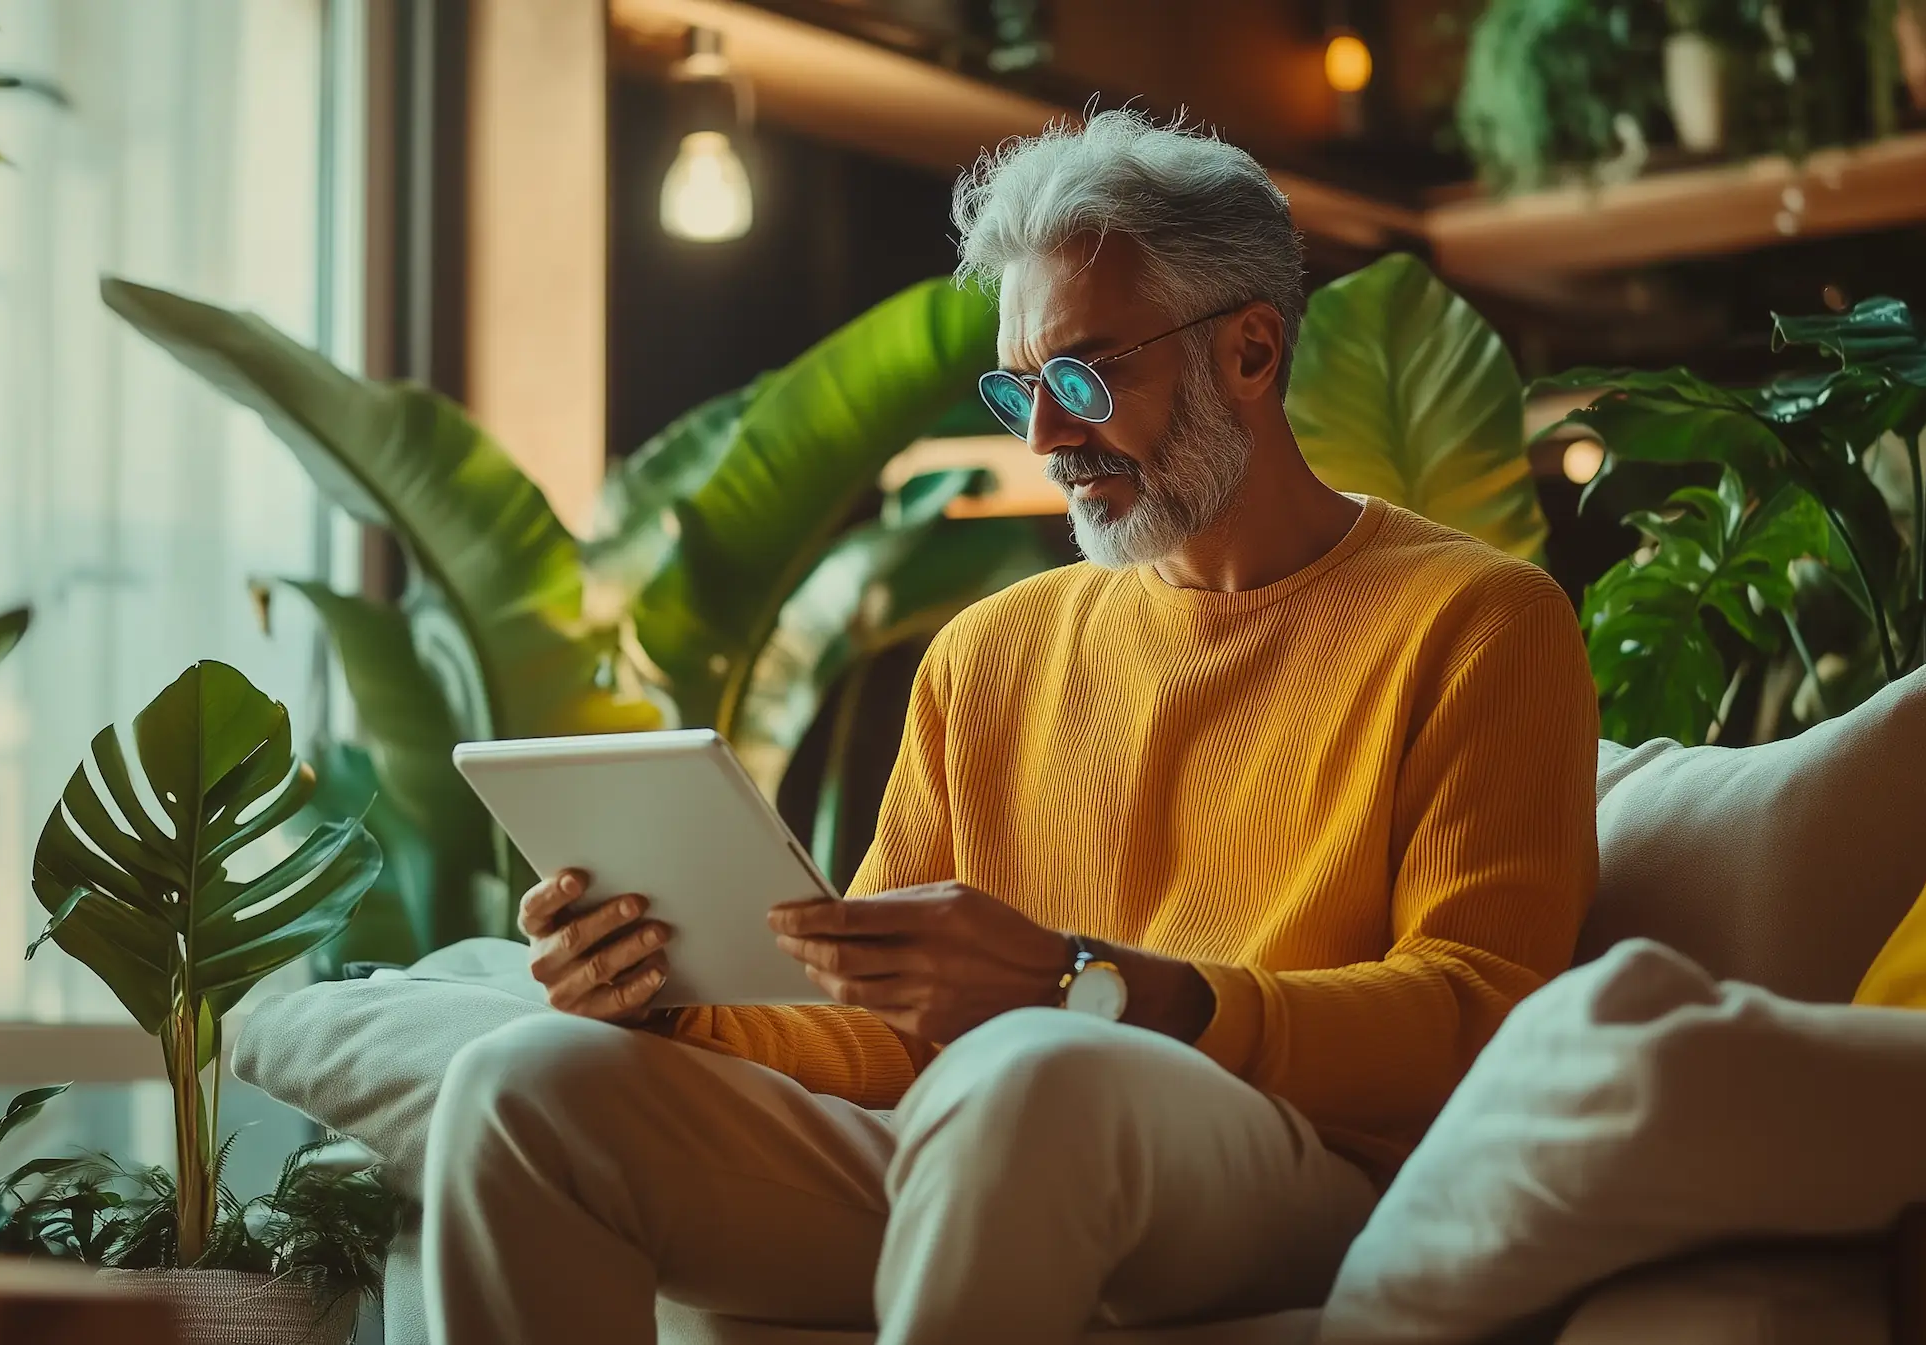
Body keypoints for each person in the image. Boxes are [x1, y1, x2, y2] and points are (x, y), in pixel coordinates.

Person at [423, 109, 1598, 1345]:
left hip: (1307, 1175)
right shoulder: (990, 653)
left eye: (1085, 374)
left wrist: (1087, 987)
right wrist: (660, 994)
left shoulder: (1480, 621)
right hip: (985, 1148)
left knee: (1032, 1066)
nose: (1043, 436)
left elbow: (1481, 1015)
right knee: (519, 1086)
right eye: (1019, 387)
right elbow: (881, 1032)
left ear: (1252, 353)